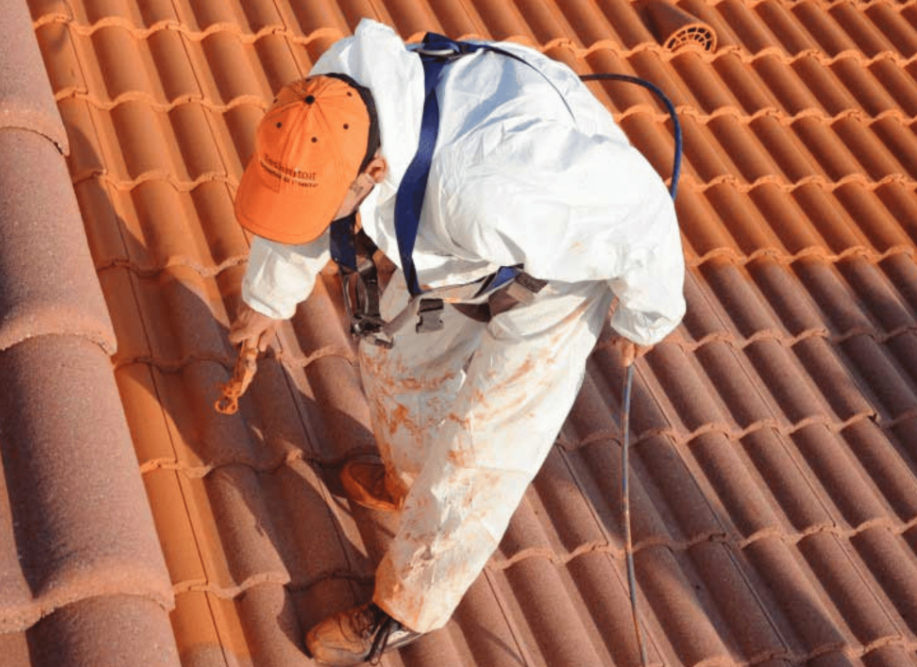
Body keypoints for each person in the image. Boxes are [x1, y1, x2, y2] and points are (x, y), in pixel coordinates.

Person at [228, 18, 686, 666]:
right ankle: (405, 481)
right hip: (461, 239)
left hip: (558, 271)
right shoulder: (328, 100)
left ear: (378, 168)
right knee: (389, 351)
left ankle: (407, 608)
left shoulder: (493, 187)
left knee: (479, 449)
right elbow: (307, 194)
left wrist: (646, 317)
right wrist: (265, 302)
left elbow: (640, 212)